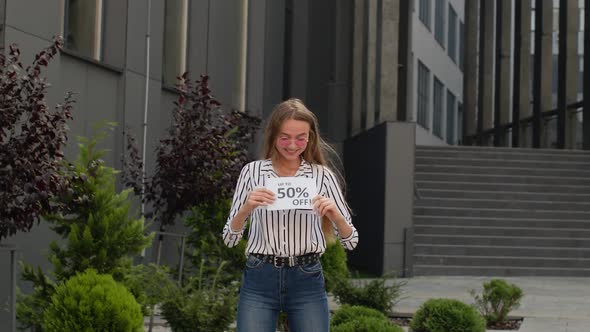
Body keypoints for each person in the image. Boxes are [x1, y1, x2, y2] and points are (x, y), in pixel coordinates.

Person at [222, 98, 359, 332]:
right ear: (273, 135)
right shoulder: (252, 173)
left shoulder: (322, 176)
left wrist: (335, 214)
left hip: (306, 277)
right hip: (259, 276)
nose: (293, 145)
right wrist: (246, 208)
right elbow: (230, 238)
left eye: (300, 137)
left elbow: (351, 241)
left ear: (310, 137)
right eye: (284, 137)